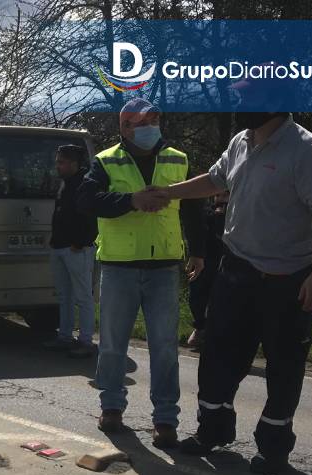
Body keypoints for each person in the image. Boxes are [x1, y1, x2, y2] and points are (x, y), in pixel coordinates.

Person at [162, 79, 312, 474]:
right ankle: (213, 431)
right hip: (236, 270)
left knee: (284, 365)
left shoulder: (307, 151)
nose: (240, 104)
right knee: (219, 354)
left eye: (248, 97)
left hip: (288, 278)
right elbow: (214, 180)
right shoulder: (242, 140)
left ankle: (273, 450)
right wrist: (170, 192)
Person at [76, 98, 205, 449]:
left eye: (154, 119)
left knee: (165, 348)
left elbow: (193, 205)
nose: (150, 126)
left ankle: (165, 419)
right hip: (119, 265)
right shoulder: (105, 161)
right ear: (125, 127)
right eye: (141, 122)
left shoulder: (177, 158)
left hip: (163, 266)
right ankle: (112, 407)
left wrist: (198, 250)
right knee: (114, 344)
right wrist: (131, 200)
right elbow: (87, 201)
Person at [43, 144, 98, 358]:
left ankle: (86, 341)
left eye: (62, 162)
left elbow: (91, 218)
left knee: (83, 297)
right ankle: (64, 336)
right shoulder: (64, 184)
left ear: (74, 163)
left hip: (77, 249)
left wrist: (80, 242)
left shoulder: (86, 183)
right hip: (59, 246)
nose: (58, 165)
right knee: (64, 295)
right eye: (57, 161)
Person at [186, 190, 229, 348]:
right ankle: (200, 327)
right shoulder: (207, 214)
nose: (221, 199)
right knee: (196, 295)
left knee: (222, 300)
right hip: (205, 261)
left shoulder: (239, 215)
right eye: (218, 196)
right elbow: (197, 232)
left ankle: (218, 337)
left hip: (227, 263)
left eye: (225, 196)